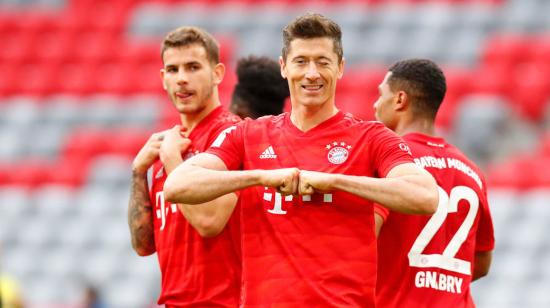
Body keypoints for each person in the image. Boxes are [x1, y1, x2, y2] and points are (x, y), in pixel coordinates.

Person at [163, 13, 438, 307]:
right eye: (301, 61)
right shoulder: (249, 134)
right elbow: (177, 185)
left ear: (340, 67)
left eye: (323, 61)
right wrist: (260, 176)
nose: (311, 73)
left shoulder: (370, 137)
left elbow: (425, 196)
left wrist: (334, 182)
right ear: (284, 67)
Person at [127, 26, 241, 307]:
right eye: (173, 70)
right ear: (163, 78)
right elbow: (144, 246)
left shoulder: (231, 135)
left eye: (193, 67)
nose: (182, 79)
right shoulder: (169, 144)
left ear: (217, 74)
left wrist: (172, 163)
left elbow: (209, 222)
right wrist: (138, 173)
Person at [373, 59, 495, 308]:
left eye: (380, 95)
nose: (375, 105)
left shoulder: (390, 164)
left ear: (399, 100)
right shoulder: (473, 172)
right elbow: (481, 263)